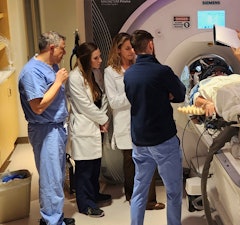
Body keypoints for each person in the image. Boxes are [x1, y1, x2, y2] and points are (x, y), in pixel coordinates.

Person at [124, 29, 186, 225]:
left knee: (139, 191)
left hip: (140, 140)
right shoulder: (162, 71)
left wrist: (160, 94)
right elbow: (181, 94)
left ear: (133, 49)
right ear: (151, 44)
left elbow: (135, 98)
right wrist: (165, 94)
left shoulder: (129, 74)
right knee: (173, 191)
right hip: (163, 140)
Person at [18, 31, 75, 225]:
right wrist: (58, 81)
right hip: (45, 130)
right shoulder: (31, 72)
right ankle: (52, 221)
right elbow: (38, 106)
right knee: (50, 178)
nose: (64, 53)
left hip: (56, 128)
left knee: (56, 176)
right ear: (51, 48)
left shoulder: (51, 66)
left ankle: (53, 216)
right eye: (62, 49)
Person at [104, 32, 165, 210]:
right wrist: (135, 93)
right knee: (130, 163)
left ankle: (150, 200)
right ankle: (133, 198)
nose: (132, 52)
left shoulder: (140, 66)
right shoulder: (110, 72)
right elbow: (114, 101)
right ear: (118, 50)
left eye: (132, 47)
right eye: (127, 48)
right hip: (124, 122)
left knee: (149, 159)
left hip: (144, 120)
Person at [66, 42, 111, 217]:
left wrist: (103, 119)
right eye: (96, 58)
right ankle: (86, 205)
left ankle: (94, 194)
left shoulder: (96, 73)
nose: (100, 60)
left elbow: (103, 96)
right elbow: (84, 105)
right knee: (84, 168)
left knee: (95, 165)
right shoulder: (74, 77)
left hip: (97, 125)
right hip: (84, 126)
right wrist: (103, 119)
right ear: (86, 59)